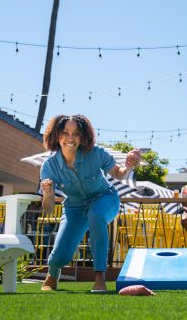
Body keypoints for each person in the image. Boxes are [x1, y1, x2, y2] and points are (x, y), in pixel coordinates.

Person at [39, 114, 141, 293]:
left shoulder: (96, 153)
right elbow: (47, 209)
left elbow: (119, 174)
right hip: (74, 207)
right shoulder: (49, 166)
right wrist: (48, 193)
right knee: (60, 255)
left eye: (76, 133)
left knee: (95, 214)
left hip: (104, 198)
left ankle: (99, 277)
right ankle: (52, 275)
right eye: (65, 133)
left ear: (83, 136)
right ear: (56, 135)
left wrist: (129, 166)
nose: (70, 138)